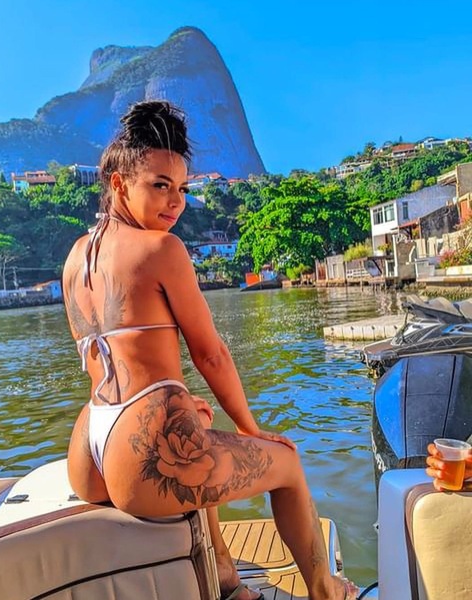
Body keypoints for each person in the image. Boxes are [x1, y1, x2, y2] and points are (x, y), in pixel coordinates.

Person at [64, 100, 358, 600]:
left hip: (91, 450)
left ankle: (223, 573)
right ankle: (325, 589)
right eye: (160, 185)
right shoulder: (161, 250)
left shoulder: (77, 256)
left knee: (193, 419)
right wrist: (251, 430)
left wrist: (181, 410)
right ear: (119, 184)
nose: (175, 202)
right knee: (286, 466)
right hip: (141, 459)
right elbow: (211, 355)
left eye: (182, 189)